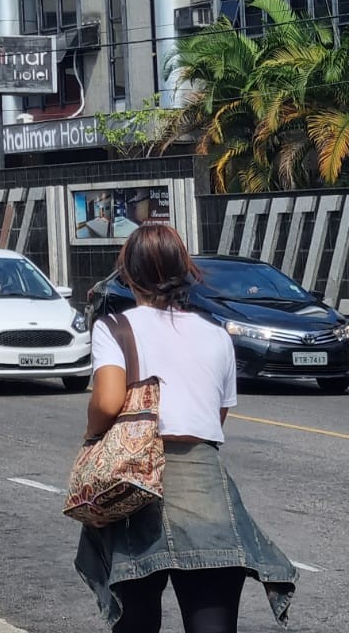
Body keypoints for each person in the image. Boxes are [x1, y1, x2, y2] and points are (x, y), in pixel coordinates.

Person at [75, 223, 296, 633]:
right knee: (211, 620)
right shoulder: (216, 335)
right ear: (186, 272)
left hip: (137, 483)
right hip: (204, 480)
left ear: (128, 274)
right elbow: (217, 415)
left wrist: (92, 438)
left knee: (136, 619)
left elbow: (106, 402)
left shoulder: (115, 328)